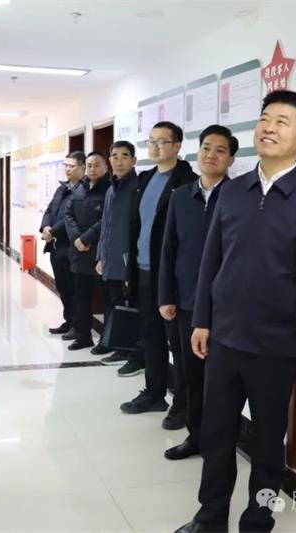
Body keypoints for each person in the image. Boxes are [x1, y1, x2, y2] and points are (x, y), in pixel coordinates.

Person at [176, 90, 296, 533]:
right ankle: (210, 516)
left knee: (268, 443)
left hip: (277, 347)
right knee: (217, 435)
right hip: (224, 340)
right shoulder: (232, 193)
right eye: (265, 118)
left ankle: (259, 517)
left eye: (282, 121)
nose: (269, 127)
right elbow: (211, 261)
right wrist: (202, 320)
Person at [158, 125, 237, 461]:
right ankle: (196, 437)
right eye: (206, 148)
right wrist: (165, 296)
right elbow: (168, 249)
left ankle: (220, 441)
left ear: (231, 159)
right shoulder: (180, 196)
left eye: (220, 150)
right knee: (190, 374)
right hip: (188, 302)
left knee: (222, 380)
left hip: (227, 306)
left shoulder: (239, 197)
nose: (211, 155)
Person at [120, 121, 197, 429]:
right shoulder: (146, 178)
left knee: (178, 344)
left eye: (162, 141)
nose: (154, 147)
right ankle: (154, 393)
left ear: (177, 146)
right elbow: (137, 226)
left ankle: (183, 405)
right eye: (151, 141)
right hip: (142, 270)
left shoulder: (187, 181)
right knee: (151, 336)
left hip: (171, 277)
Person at [95, 141, 144, 371]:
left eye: (125, 156)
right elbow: (105, 225)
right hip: (111, 259)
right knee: (117, 304)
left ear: (134, 160)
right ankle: (122, 348)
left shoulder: (138, 188)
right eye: (114, 156)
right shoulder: (111, 189)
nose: (119, 161)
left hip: (128, 262)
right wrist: (101, 256)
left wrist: (131, 264)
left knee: (132, 308)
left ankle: (136, 356)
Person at [63, 151, 110, 351]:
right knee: (81, 298)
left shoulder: (110, 189)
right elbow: (68, 214)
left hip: (99, 254)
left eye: (97, 165)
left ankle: (107, 340)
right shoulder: (79, 188)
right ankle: (83, 336)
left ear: (105, 167)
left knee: (108, 300)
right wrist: (77, 238)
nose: (92, 169)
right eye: (89, 165)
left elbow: (107, 219)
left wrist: (86, 238)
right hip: (79, 253)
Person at [40, 151, 85, 335]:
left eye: (71, 166)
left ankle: (78, 325)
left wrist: (52, 231)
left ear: (82, 168)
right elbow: (50, 210)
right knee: (63, 287)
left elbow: (71, 218)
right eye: (65, 165)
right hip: (56, 246)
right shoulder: (62, 188)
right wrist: (45, 227)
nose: (67, 169)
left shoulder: (83, 190)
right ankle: (69, 320)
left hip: (71, 247)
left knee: (75, 289)